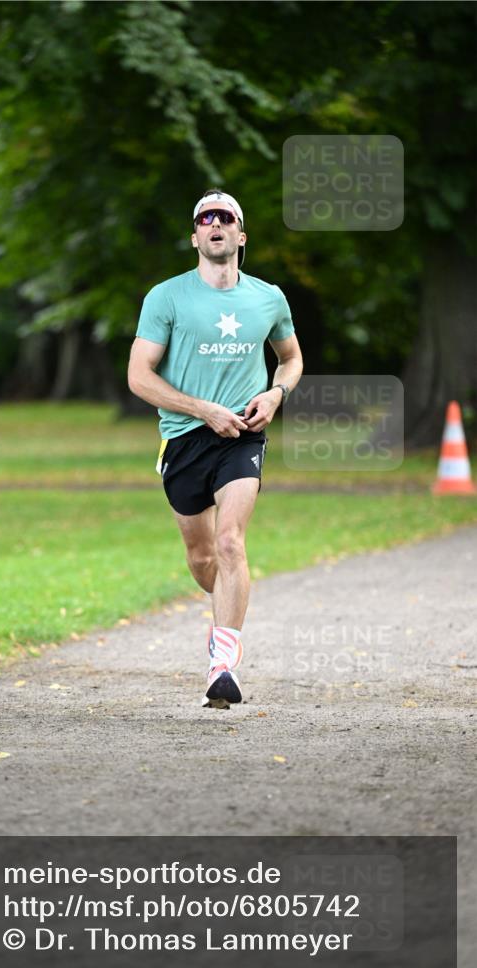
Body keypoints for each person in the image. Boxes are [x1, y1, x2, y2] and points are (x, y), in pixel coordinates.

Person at [128, 190, 303, 709]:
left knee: (230, 543)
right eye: (206, 218)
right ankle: (220, 618)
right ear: (196, 236)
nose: (216, 224)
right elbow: (139, 376)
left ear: (241, 235)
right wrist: (203, 410)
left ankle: (222, 663)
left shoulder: (268, 297)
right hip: (184, 438)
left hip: (243, 436)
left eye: (227, 218)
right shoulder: (167, 297)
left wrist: (276, 393)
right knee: (203, 557)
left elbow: (290, 359)